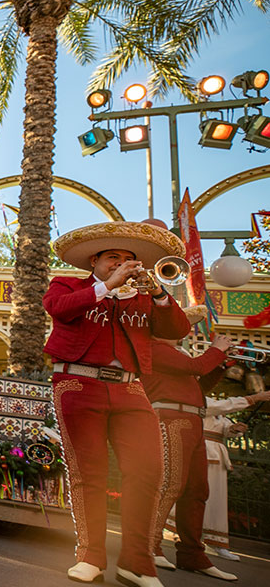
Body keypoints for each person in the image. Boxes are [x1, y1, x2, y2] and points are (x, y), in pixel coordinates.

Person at [45, 221, 191, 587]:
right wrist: (106, 287)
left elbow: (177, 330)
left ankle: (137, 563)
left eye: (129, 259)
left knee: (147, 472)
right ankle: (91, 557)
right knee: (88, 474)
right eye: (113, 258)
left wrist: (158, 292)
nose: (122, 264)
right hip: (78, 382)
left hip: (130, 389)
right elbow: (58, 309)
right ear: (94, 260)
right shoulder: (68, 284)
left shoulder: (144, 295)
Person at [140, 307, 237, 581]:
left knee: (197, 490)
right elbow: (195, 367)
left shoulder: (177, 355)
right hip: (170, 418)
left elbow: (198, 387)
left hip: (193, 420)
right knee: (170, 485)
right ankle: (150, 544)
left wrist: (220, 363)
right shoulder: (152, 348)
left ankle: (192, 554)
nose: (183, 331)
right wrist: (216, 351)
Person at [199, 391, 270, 560]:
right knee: (197, 496)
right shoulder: (200, 399)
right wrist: (254, 398)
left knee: (217, 498)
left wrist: (233, 429)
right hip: (202, 451)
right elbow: (219, 406)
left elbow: (225, 426)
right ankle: (177, 532)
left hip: (218, 454)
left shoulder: (219, 411)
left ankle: (216, 541)